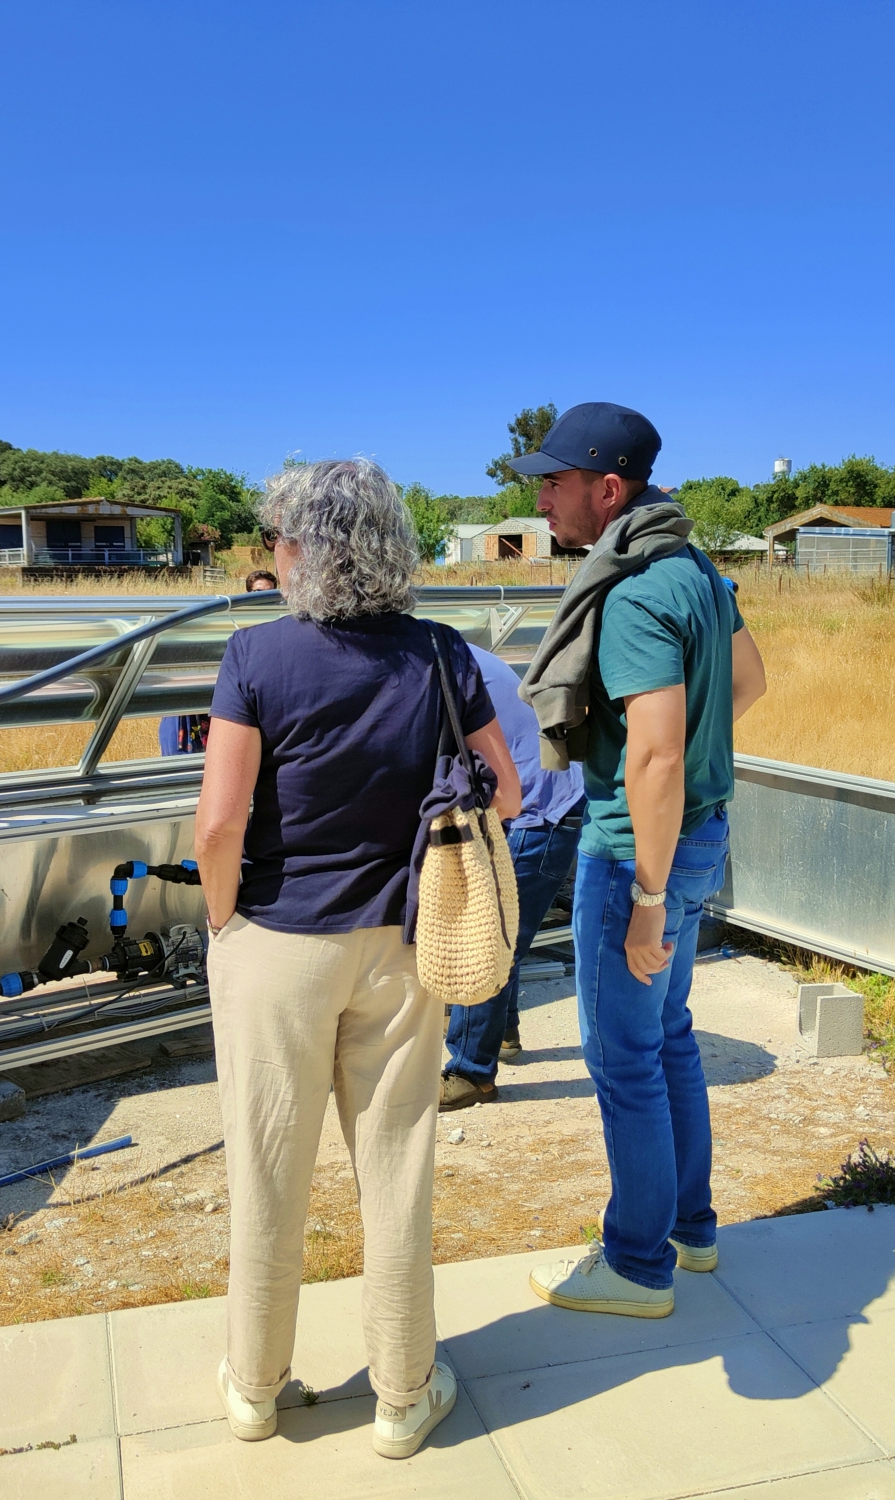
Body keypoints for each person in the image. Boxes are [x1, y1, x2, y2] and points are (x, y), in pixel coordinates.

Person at [194, 458, 521, 1458]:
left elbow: (219, 823)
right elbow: (506, 792)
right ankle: (402, 1394)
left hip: (276, 943)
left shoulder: (254, 654)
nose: (273, 552)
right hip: (403, 941)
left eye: (277, 538)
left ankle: (255, 1390)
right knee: (396, 1171)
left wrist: (223, 924)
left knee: (265, 1169)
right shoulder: (440, 653)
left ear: (302, 549)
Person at [514, 403, 767, 1319]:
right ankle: (691, 1230)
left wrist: (648, 895)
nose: (541, 500)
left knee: (623, 1059)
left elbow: (654, 755)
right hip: (701, 834)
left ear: (609, 489)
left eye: (554, 481)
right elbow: (749, 682)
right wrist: (687, 767)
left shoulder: (629, 594)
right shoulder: (695, 568)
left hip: (636, 855)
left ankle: (635, 1264)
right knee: (669, 1038)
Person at [439, 643, 585, 1109]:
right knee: (507, 929)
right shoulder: (456, 654)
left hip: (538, 812)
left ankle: (470, 1071)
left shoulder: (440, 669)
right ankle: (502, 1033)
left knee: (486, 939)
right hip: (543, 801)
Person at [159, 568, 278, 754]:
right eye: (258, 592)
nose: (264, 598)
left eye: (270, 593)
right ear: (248, 594)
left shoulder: (279, 624)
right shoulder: (231, 620)